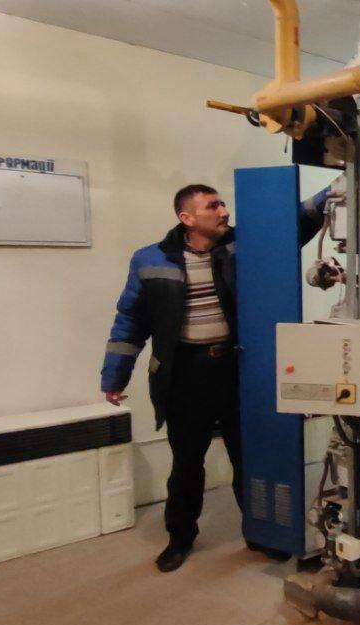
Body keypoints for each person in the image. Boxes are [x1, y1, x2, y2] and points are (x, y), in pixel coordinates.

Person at [100, 183, 326, 573]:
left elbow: (291, 224)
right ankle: (180, 538)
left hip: (239, 369)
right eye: (213, 206)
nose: (224, 211)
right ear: (186, 218)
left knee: (250, 457)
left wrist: (331, 192)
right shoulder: (150, 259)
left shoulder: (243, 245)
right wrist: (114, 376)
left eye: (223, 204)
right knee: (187, 463)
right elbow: (130, 322)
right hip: (185, 375)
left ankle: (262, 532)